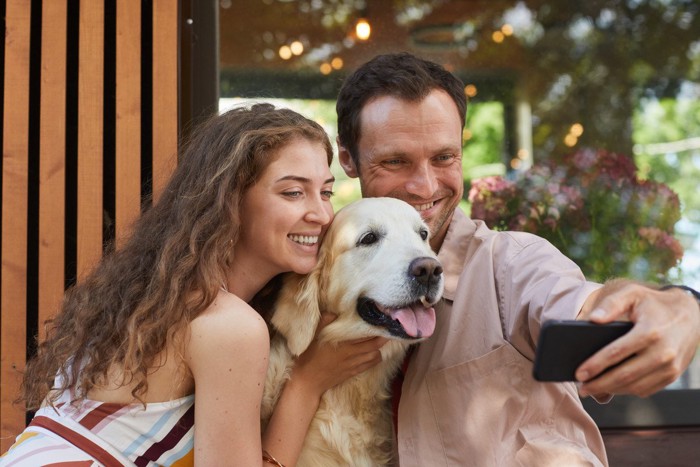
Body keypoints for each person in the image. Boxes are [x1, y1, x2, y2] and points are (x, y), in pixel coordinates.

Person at [335, 52, 700, 466]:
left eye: (444, 158)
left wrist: (678, 304)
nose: (425, 185)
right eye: (395, 161)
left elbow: (585, 303)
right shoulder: (328, 276)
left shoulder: (512, 263)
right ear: (347, 158)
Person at [0, 103, 386, 466]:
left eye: (325, 192)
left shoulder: (153, 295)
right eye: (292, 192)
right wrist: (307, 383)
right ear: (229, 201)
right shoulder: (228, 325)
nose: (321, 214)